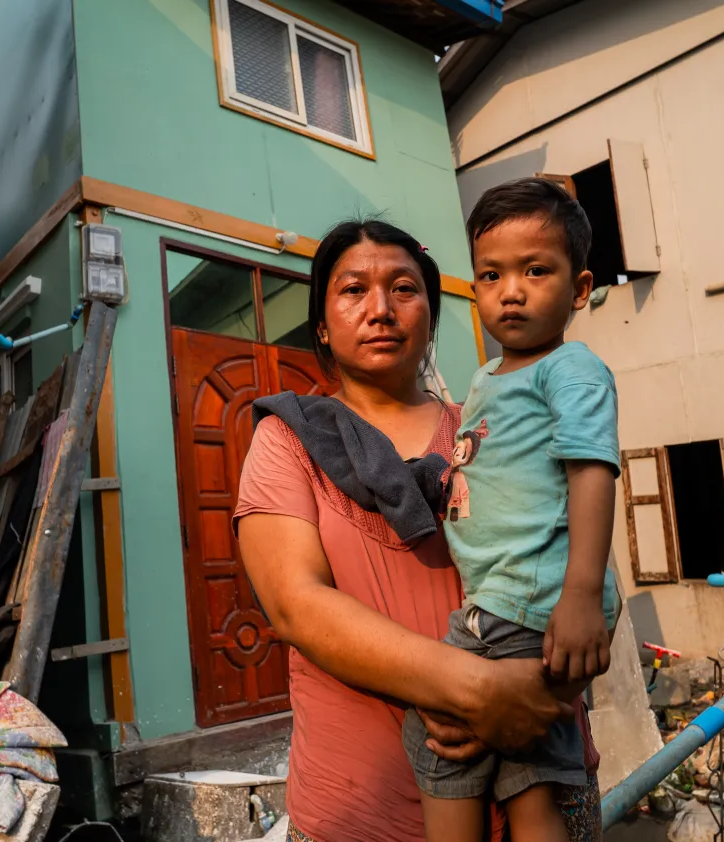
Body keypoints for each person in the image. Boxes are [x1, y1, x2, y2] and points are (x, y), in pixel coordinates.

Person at [233, 219, 615, 842]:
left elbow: (579, 570)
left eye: (404, 289)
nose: (380, 309)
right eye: (353, 290)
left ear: (431, 316)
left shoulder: (492, 427)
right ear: (323, 325)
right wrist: (476, 689)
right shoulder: (288, 440)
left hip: (536, 777)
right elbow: (295, 605)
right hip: (360, 809)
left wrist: (541, 683)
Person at [402, 178, 621, 842]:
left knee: (521, 776)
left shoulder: (571, 367)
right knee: (467, 748)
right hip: (495, 599)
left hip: (537, 598)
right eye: (491, 275)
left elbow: (591, 471)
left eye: (535, 270)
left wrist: (581, 593)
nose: (511, 290)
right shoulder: (483, 377)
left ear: (579, 289)